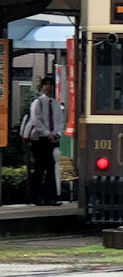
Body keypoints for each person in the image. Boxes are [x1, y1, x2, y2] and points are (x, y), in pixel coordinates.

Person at [29, 76, 64, 206]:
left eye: (51, 84)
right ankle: (35, 196)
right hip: (39, 139)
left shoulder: (56, 104)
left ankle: (50, 197)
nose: (49, 87)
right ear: (42, 87)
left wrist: (57, 134)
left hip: (52, 139)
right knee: (39, 168)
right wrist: (47, 134)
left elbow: (60, 121)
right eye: (46, 84)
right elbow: (36, 120)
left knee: (50, 167)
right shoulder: (38, 102)